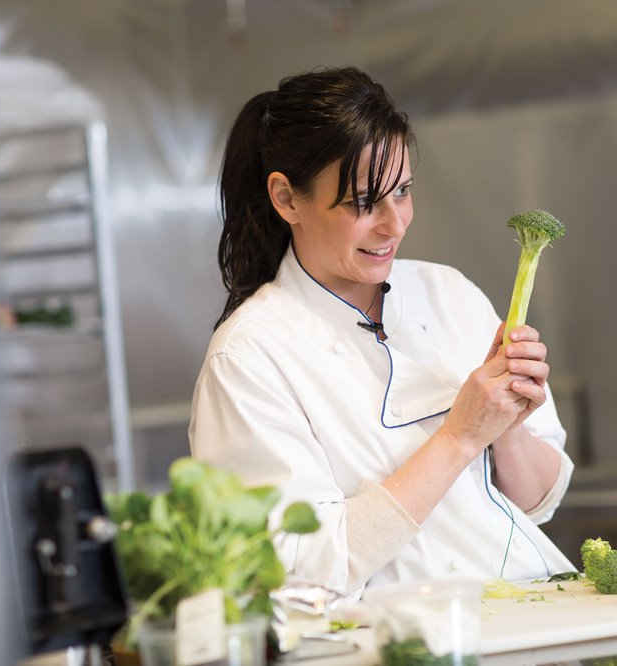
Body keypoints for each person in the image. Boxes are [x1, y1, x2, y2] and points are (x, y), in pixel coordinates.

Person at [189, 66, 575, 595]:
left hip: (527, 619)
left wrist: (505, 426)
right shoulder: (249, 358)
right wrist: (461, 435)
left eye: (404, 192)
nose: (395, 224)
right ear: (287, 199)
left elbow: (539, 502)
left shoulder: (451, 294)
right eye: (364, 202)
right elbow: (296, 569)